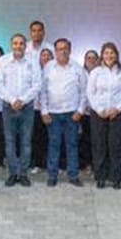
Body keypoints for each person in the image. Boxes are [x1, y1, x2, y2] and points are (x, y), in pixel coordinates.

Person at [0, 34, 41, 187]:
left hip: (27, 106)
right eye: (15, 43)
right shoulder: (3, 61)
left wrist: (22, 100)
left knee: (26, 141)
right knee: (10, 141)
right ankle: (12, 173)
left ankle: (23, 173)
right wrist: (12, 100)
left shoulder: (33, 61)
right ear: (11, 45)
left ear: (25, 46)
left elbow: (37, 84)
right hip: (8, 106)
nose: (18, 46)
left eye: (21, 43)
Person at [85, 42, 121, 190]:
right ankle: (100, 177)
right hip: (99, 114)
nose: (109, 56)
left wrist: (117, 109)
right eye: (106, 53)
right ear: (102, 55)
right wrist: (99, 109)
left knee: (116, 146)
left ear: (116, 55)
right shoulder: (96, 72)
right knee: (99, 146)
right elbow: (90, 93)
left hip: (118, 115)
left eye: (112, 53)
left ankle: (116, 178)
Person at [40, 39, 86, 187]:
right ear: (55, 51)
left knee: (72, 145)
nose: (62, 51)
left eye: (65, 48)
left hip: (72, 113)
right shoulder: (48, 68)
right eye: (59, 49)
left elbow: (84, 92)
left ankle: (73, 175)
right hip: (53, 113)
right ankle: (52, 175)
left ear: (70, 50)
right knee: (54, 144)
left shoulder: (77, 68)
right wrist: (44, 111)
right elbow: (42, 91)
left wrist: (80, 110)